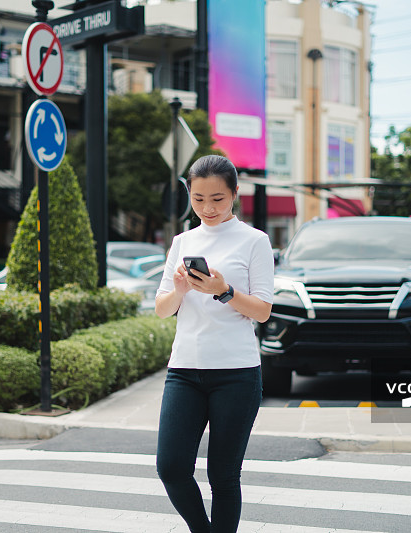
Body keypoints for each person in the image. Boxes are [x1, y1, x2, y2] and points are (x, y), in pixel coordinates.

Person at [154, 155, 274, 533]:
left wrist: (223, 291)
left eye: (218, 199)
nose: (207, 208)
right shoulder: (182, 241)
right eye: (199, 198)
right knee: (171, 467)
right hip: (185, 371)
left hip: (236, 374)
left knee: (222, 476)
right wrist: (179, 289)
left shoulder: (255, 241)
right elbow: (162, 309)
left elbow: (263, 311)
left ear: (235, 194)